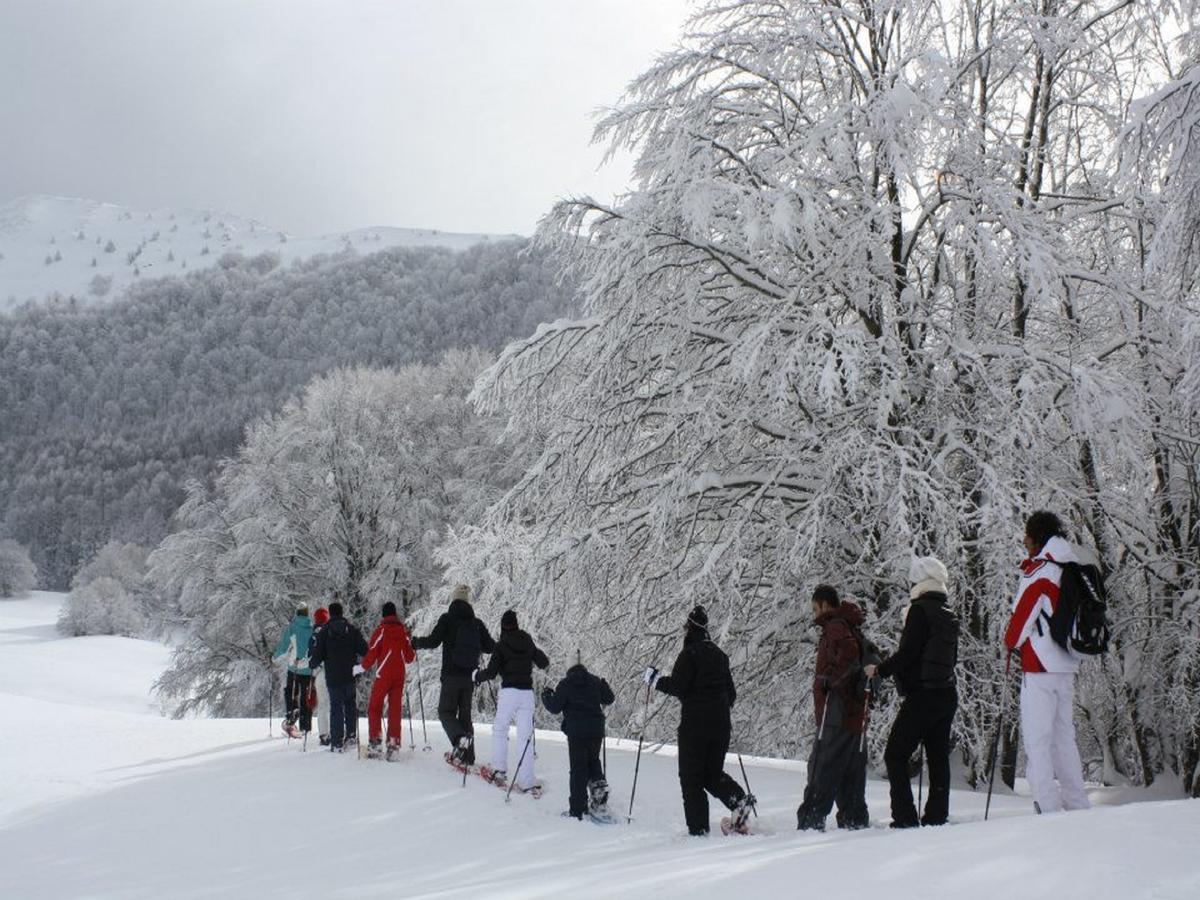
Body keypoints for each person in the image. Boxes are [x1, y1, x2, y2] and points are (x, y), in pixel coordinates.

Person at [1003, 511, 1091, 814]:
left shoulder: (1040, 572)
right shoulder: (1071, 568)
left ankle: (1047, 806)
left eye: (1027, 534)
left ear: (1037, 537)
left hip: (1039, 666)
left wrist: (1010, 643)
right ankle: (1077, 803)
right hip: (1067, 664)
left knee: (1038, 740)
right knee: (1064, 738)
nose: (1024, 540)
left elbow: (1019, 624)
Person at [865, 557, 960, 827]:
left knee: (895, 754)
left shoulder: (920, 610)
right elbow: (951, 658)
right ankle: (936, 816)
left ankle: (905, 817)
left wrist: (880, 670)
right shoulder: (948, 613)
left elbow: (908, 653)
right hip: (946, 693)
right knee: (938, 758)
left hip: (922, 696)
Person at [645, 605, 755, 836]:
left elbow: (677, 686)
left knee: (691, 778)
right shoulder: (719, 655)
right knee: (712, 774)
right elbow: (731, 695)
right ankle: (739, 801)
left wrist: (655, 680)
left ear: (689, 629)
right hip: (721, 726)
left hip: (694, 728)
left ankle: (699, 831)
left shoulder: (689, 654)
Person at [795, 585, 870, 831]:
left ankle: (811, 820)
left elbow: (849, 654)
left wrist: (829, 682)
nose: (814, 614)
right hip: (854, 714)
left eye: (816, 608)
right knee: (850, 771)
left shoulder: (835, 626)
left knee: (822, 766)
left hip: (835, 711)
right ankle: (854, 819)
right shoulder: (849, 625)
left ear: (826, 605)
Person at [411, 585, 496, 766]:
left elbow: (433, 642)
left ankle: (458, 741)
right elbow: (490, 647)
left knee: (445, 712)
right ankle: (468, 757)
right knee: (465, 718)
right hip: (470, 678)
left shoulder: (447, 619)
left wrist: (416, 642)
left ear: (453, 599)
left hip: (451, 676)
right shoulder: (477, 623)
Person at [474, 609, 549, 791]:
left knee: (500, 729)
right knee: (525, 736)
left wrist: (477, 676)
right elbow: (544, 662)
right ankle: (526, 780)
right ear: (517, 624)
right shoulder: (527, 640)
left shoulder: (501, 645)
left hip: (509, 692)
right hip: (526, 694)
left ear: (502, 626)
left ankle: (499, 770)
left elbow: (491, 673)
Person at [542, 653, 616, 820]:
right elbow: (609, 699)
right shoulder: (595, 681)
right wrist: (604, 684)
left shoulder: (565, 684)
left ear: (569, 667)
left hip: (576, 732)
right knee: (593, 761)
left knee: (578, 769)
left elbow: (554, 707)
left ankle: (578, 809)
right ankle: (599, 796)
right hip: (596, 730)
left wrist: (546, 696)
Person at [307, 601, 368, 752]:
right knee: (350, 705)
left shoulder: (324, 632)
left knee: (335, 708)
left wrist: (312, 664)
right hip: (349, 675)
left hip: (333, 677)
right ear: (341, 612)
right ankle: (352, 735)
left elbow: (317, 656)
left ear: (330, 613)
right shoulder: (352, 630)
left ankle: (336, 742)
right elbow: (365, 650)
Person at [360, 601, 416, 758]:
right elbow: (410, 657)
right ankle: (393, 744)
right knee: (394, 709)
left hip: (383, 674)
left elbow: (372, 652)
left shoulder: (381, 631)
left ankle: (375, 742)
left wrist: (361, 667)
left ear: (384, 615)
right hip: (399, 675)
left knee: (374, 707)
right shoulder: (403, 632)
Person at [272, 603, 314, 739]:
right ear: (307, 614)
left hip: (294, 668)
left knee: (290, 692)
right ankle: (306, 727)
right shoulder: (311, 628)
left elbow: (284, 647)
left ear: (297, 613)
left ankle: (291, 713)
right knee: (306, 698)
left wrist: (274, 657)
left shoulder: (292, 628)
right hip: (308, 669)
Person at [309, 606, 332, 746]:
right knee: (334, 704)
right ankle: (336, 732)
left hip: (319, 674)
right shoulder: (332, 632)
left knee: (322, 705)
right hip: (333, 671)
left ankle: (324, 734)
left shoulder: (313, 637)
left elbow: (310, 656)